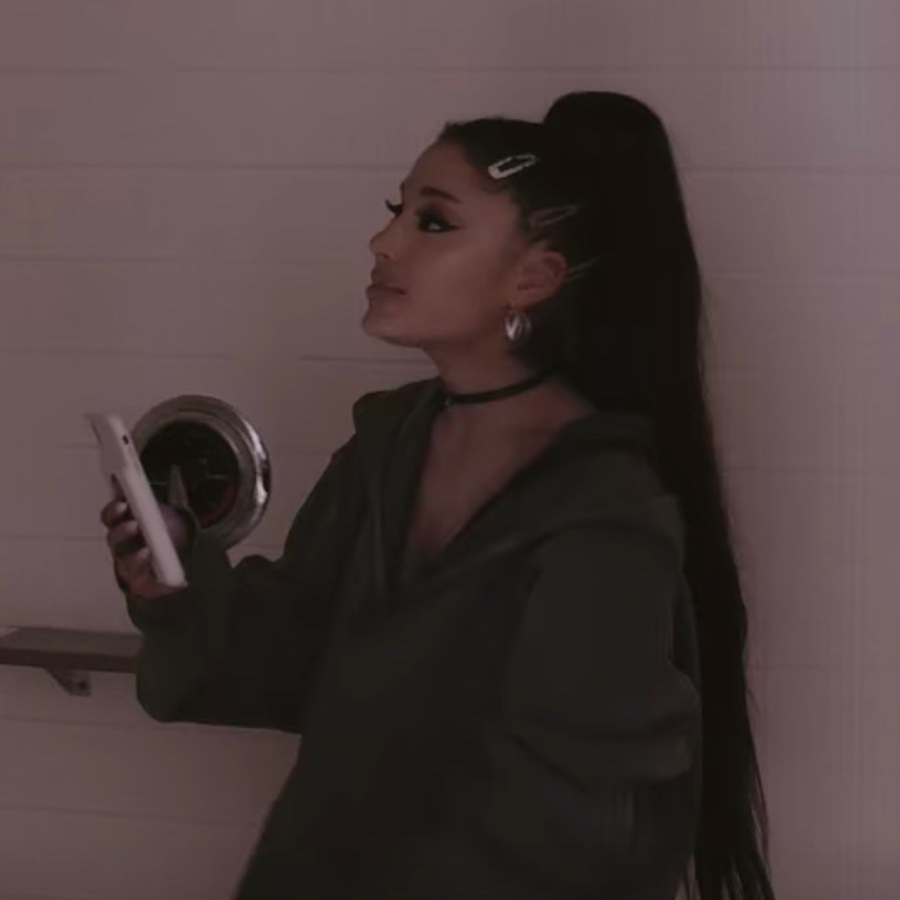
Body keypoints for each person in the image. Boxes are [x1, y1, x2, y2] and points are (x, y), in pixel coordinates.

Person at [101, 91, 776, 900]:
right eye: (397, 212)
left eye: (433, 222)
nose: (383, 242)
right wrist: (177, 583)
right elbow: (292, 658)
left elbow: (590, 832)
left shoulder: (603, 511)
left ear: (533, 277)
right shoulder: (387, 447)